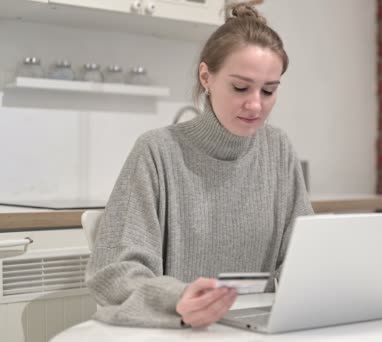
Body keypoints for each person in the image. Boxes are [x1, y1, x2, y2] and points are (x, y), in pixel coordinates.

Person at [86, 2, 313, 329]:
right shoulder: (157, 151)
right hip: (181, 331)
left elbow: (303, 260)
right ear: (206, 77)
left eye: (268, 90)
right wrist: (177, 299)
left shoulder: (278, 149)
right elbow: (115, 272)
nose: (255, 104)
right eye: (240, 87)